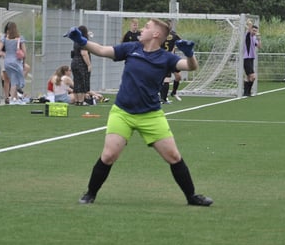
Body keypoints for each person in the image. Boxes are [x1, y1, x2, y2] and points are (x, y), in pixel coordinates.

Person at [64, 19, 213, 207]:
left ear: (156, 34)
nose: (142, 29)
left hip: (151, 115)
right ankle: (90, 194)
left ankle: (192, 197)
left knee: (174, 157)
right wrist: (82, 41)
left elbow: (191, 66)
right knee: (109, 155)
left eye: (147, 27)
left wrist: (190, 54)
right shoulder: (131, 48)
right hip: (122, 113)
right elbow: (101, 50)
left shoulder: (166, 58)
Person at [2, 21, 26, 105]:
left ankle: (14, 98)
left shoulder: (4, 38)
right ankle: (13, 98)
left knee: (12, 79)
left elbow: (0, 48)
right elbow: (24, 52)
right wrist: (23, 63)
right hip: (16, 62)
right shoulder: (19, 38)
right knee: (15, 80)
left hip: (7, 61)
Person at [160, 25, 183, 102]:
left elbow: (180, 43)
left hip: (172, 59)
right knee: (165, 78)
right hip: (164, 59)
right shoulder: (161, 34)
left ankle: (174, 92)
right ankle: (163, 97)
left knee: (178, 76)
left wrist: (174, 48)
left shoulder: (173, 35)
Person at [70, 25, 92, 105]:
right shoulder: (83, 41)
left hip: (74, 62)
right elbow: (84, 53)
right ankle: (81, 101)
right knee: (82, 81)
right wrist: (89, 64)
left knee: (76, 81)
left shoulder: (76, 41)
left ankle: (77, 100)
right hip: (81, 63)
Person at [243, 22, 261, 96]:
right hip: (246, 58)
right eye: (253, 30)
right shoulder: (248, 35)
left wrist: (259, 39)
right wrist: (249, 23)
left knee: (249, 77)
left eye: (255, 31)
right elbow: (249, 28)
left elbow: (259, 46)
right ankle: (247, 91)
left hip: (251, 59)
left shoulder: (254, 38)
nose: (254, 32)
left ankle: (246, 92)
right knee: (253, 76)